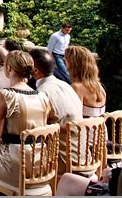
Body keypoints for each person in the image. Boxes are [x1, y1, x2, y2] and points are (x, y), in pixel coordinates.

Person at [0, 50, 52, 196]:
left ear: (9, 68)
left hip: (15, 165)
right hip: (41, 165)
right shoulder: (42, 96)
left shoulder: (5, 95)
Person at [30, 47, 83, 175]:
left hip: (61, 161)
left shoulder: (41, 94)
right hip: (83, 155)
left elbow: (34, 130)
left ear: (35, 71)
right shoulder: (66, 85)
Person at [65, 45, 106, 117]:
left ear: (73, 65)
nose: (65, 65)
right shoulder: (100, 87)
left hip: (85, 127)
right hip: (101, 127)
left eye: (66, 61)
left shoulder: (76, 87)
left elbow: (74, 117)